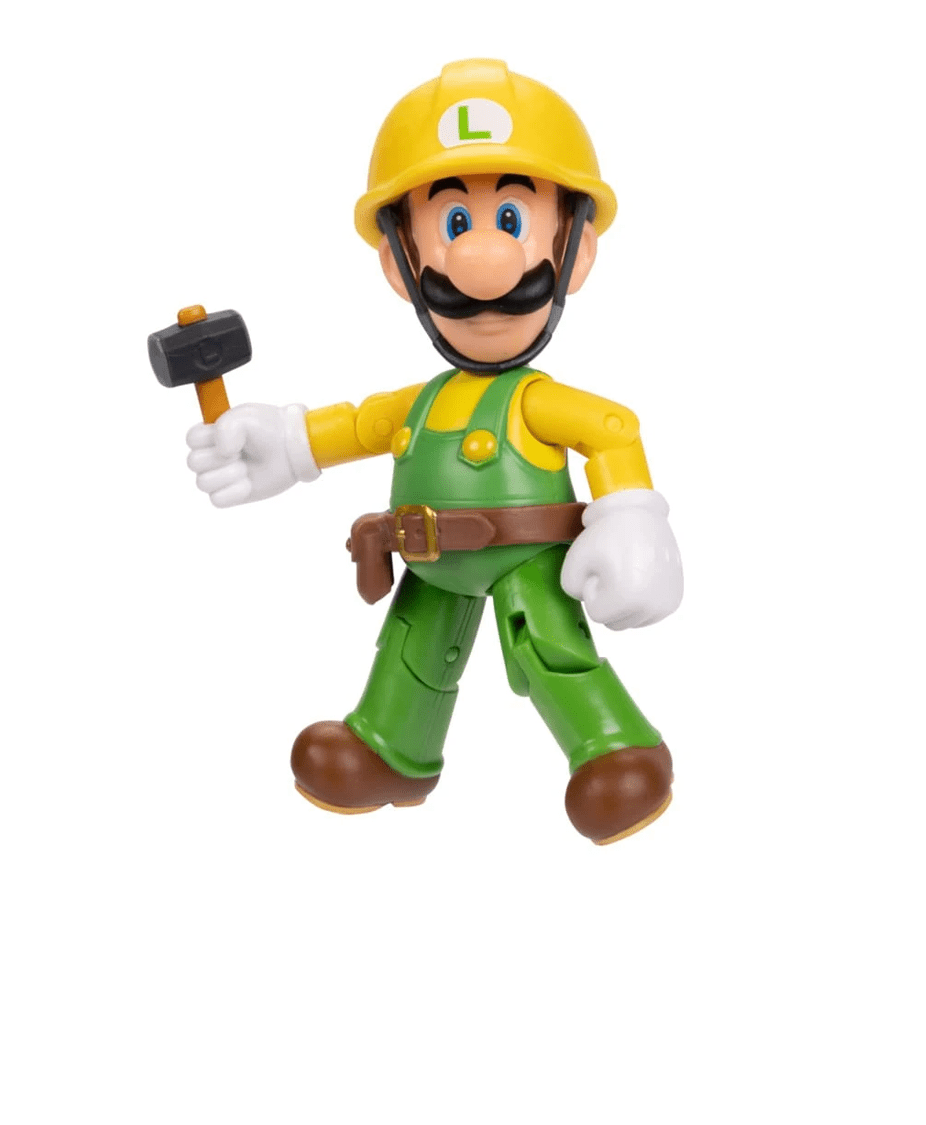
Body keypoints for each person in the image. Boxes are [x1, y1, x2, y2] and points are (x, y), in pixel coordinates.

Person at [185, 59, 684, 844]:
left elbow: (612, 428)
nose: (483, 261)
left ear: (576, 249)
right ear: (400, 263)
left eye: (511, 220)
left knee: (549, 647)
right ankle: (392, 746)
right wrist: (282, 442)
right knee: (410, 650)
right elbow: (354, 425)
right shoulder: (417, 403)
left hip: (528, 562)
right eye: (453, 224)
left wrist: (630, 516)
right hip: (426, 562)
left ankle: (616, 747)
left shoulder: (536, 400)